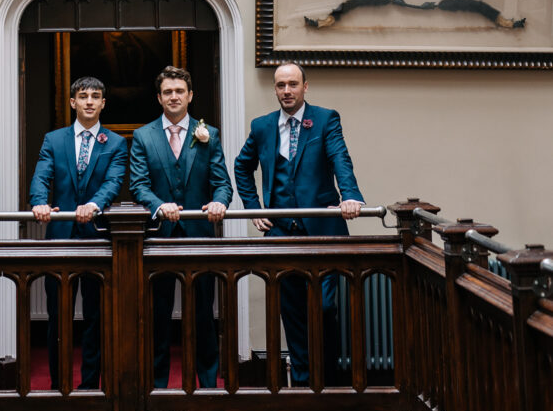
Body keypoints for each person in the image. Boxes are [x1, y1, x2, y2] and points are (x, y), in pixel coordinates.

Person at [233, 62, 363, 387]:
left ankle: (330, 384)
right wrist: (253, 209)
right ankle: (305, 385)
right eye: (280, 85)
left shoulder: (325, 119)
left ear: (306, 86)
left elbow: (339, 157)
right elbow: (241, 166)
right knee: (291, 313)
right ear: (275, 89)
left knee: (325, 308)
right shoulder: (262, 126)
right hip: (281, 235)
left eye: (292, 84)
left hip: (322, 232)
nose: (286, 91)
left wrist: (350, 196)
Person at [129, 65, 233, 389]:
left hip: (199, 238)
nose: (173, 97)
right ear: (159, 98)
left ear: (190, 95)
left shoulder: (208, 134)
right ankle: (157, 385)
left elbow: (222, 183)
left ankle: (207, 384)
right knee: (157, 317)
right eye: (167, 92)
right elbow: (138, 185)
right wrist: (159, 206)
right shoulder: (143, 136)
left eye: (179, 91)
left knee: (203, 316)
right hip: (158, 240)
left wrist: (220, 203)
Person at [30, 76, 127, 390]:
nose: (88, 101)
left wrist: (95, 204)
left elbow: (113, 182)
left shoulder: (115, 143)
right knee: (59, 319)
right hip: (59, 238)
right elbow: (42, 176)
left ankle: (89, 386)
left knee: (95, 320)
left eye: (95, 96)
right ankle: (60, 387)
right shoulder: (53, 140)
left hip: (98, 238)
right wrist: (39, 203)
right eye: (83, 96)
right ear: (72, 102)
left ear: (102, 103)